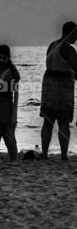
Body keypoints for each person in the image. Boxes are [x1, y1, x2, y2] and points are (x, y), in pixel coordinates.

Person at [40, 22, 77, 159]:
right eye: (76, 34)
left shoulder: (52, 45)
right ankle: (63, 155)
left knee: (47, 121)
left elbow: (56, 64)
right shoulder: (69, 49)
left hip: (48, 84)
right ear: (71, 33)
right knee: (64, 121)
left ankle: (44, 154)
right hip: (62, 87)